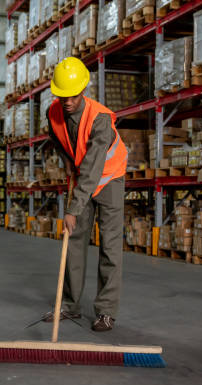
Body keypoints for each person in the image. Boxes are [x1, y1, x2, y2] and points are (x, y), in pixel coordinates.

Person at [42, 57, 127, 332]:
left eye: (73, 95)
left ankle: (105, 312)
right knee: (74, 240)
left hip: (109, 177)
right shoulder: (52, 112)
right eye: (62, 95)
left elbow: (93, 169)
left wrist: (72, 208)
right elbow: (56, 137)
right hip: (82, 177)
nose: (67, 101)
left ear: (83, 90)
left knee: (110, 246)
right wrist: (66, 157)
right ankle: (69, 305)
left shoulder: (100, 118)